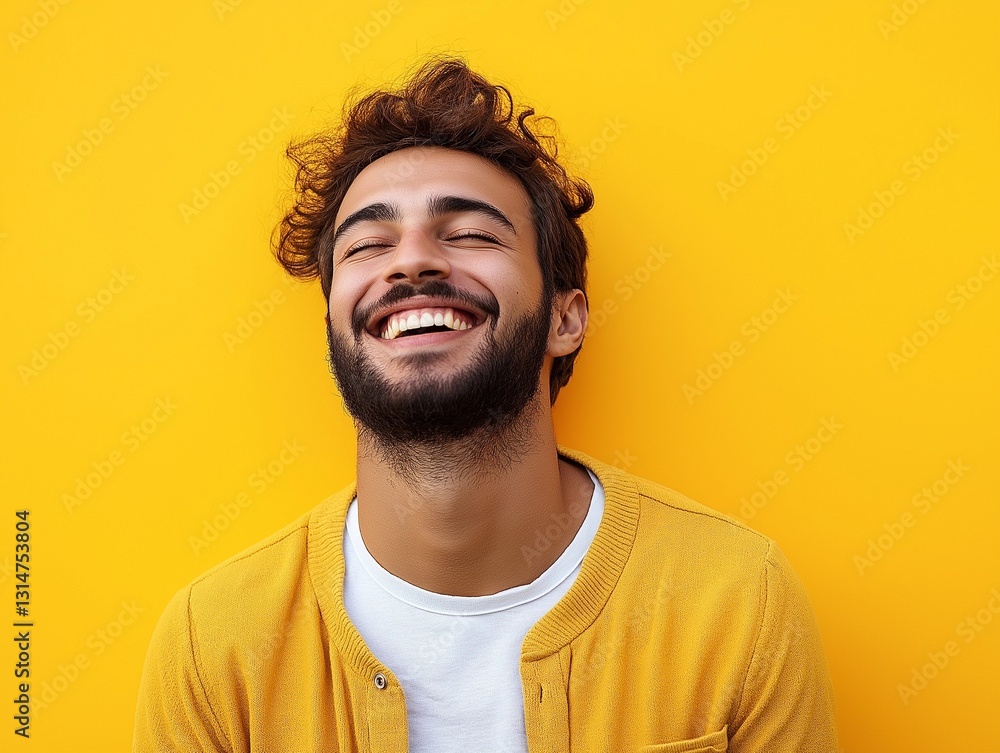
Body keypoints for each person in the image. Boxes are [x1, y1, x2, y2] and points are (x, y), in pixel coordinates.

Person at [133, 57, 839, 752]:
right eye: (368, 245)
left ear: (565, 318)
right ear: (334, 328)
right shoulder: (213, 647)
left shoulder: (737, 603)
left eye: (470, 234)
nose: (411, 261)